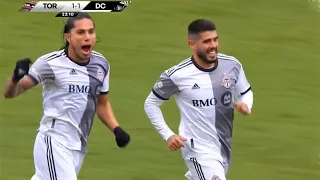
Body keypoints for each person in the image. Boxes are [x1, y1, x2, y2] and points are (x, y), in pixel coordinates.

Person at [3, 12, 130, 180]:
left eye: (91, 32)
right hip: (54, 140)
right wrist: (15, 78)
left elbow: (101, 103)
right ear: (68, 37)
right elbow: (11, 93)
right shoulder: (50, 64)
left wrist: (116, 129)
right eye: (81, 32)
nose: (87, 37)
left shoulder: (101, 65)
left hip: (78, 145)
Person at [144, 19, 254, 180]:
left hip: (223, 147)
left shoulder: (232, 65)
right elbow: (151, 103)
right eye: (207, 41)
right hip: (197, 149)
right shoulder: (177, 75)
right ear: (192, 44)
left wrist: (246, 104)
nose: (213, 45)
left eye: (215, 39)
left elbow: (245, 92)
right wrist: (168, 135)